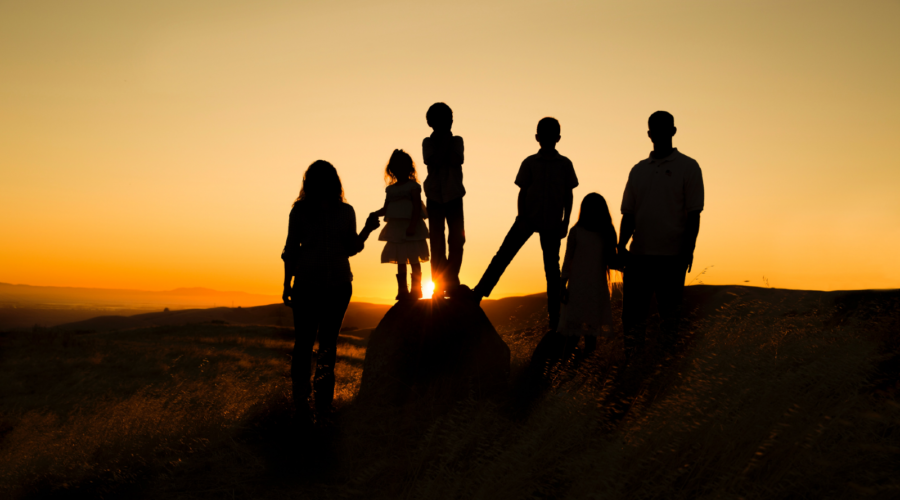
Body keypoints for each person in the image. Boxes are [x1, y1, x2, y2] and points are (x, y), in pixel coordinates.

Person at [281, 160, 380, 420]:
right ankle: (311, 405)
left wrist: (367, 230)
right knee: (319, 345)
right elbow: (292, 249)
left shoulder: (338, 211)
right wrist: (287, 282)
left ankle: (314, 404)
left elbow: (346, 248)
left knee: (313, 345)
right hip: (323, 285)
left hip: (329, 285)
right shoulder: (306, 211)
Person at [472, 117, 578, 331]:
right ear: (538, 138)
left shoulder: (565, 164)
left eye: (551, 135)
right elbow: (522, 192)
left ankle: (554, 318)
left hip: (551, 223)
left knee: (551, 270)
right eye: (544, 135)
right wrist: (521, 218)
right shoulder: (529, 162)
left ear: (557, 138)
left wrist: (565, 222)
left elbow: (568, 194)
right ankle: (479, 293)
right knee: (504, 255)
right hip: (528, 218)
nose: (547, 139)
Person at [618, 111, 704, 362]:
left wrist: (687, 252)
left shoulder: (689, 167)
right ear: (649, 134)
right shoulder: (638, 170)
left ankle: (664, 370)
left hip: (672, 257)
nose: (659, 134)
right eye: (655, 129)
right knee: (632, 320)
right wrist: (621, 247)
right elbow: (629, 213)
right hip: (639, 256)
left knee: (669, 319)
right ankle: (633, 367)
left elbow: (694, 214)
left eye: (664, 128)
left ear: (673, 131)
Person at [558, 193, 619, 355]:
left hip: (595, 290)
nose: (592, 211)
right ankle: (563, 373)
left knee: (591, 339)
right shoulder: (576, 232)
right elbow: (567, 259)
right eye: (589, 207)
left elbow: (612, 261)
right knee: (572, 337)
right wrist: (562, 284)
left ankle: (584, 374)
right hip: (577, 290)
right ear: (584, 210)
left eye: (596, 208)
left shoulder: (606, 232)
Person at [371, 149, 430, 300]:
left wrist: (412, 226)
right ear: (392, 170)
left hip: (412, 228)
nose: (399, 171)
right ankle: (402, 289)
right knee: (401, 258)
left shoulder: (413, 187)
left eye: (402, 167)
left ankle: (417, 289)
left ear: (409, 168)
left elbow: (417, 207)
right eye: (396, 168)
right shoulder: (390, 190)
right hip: (397, 229)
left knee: (414, 258)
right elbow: (385, 209)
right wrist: (374, 213)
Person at [422, 102, 466, 297]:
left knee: (457, 239)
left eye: (447, 119)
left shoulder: (457, 140)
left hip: (454, 196)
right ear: (431, 123)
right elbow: (436, 161)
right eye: (440, 120)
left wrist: (447, 139)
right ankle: (439, 284)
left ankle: (452, 279)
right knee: (437, 243)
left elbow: (456, 160)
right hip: (434, 197)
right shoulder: (428, 142)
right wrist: (445, 141)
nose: (446, 123)